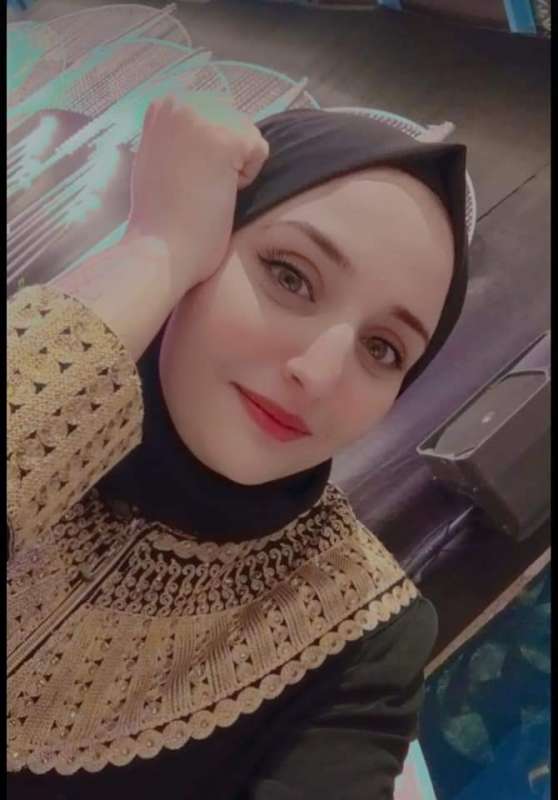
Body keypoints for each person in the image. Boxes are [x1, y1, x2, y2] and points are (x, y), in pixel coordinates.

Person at [7, 94, 468, 799]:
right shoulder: (39, 353)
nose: (319, 374)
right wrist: (154, 251)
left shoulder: (361, 641)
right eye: (290, 276)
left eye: (383, 349)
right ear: (208, 238)